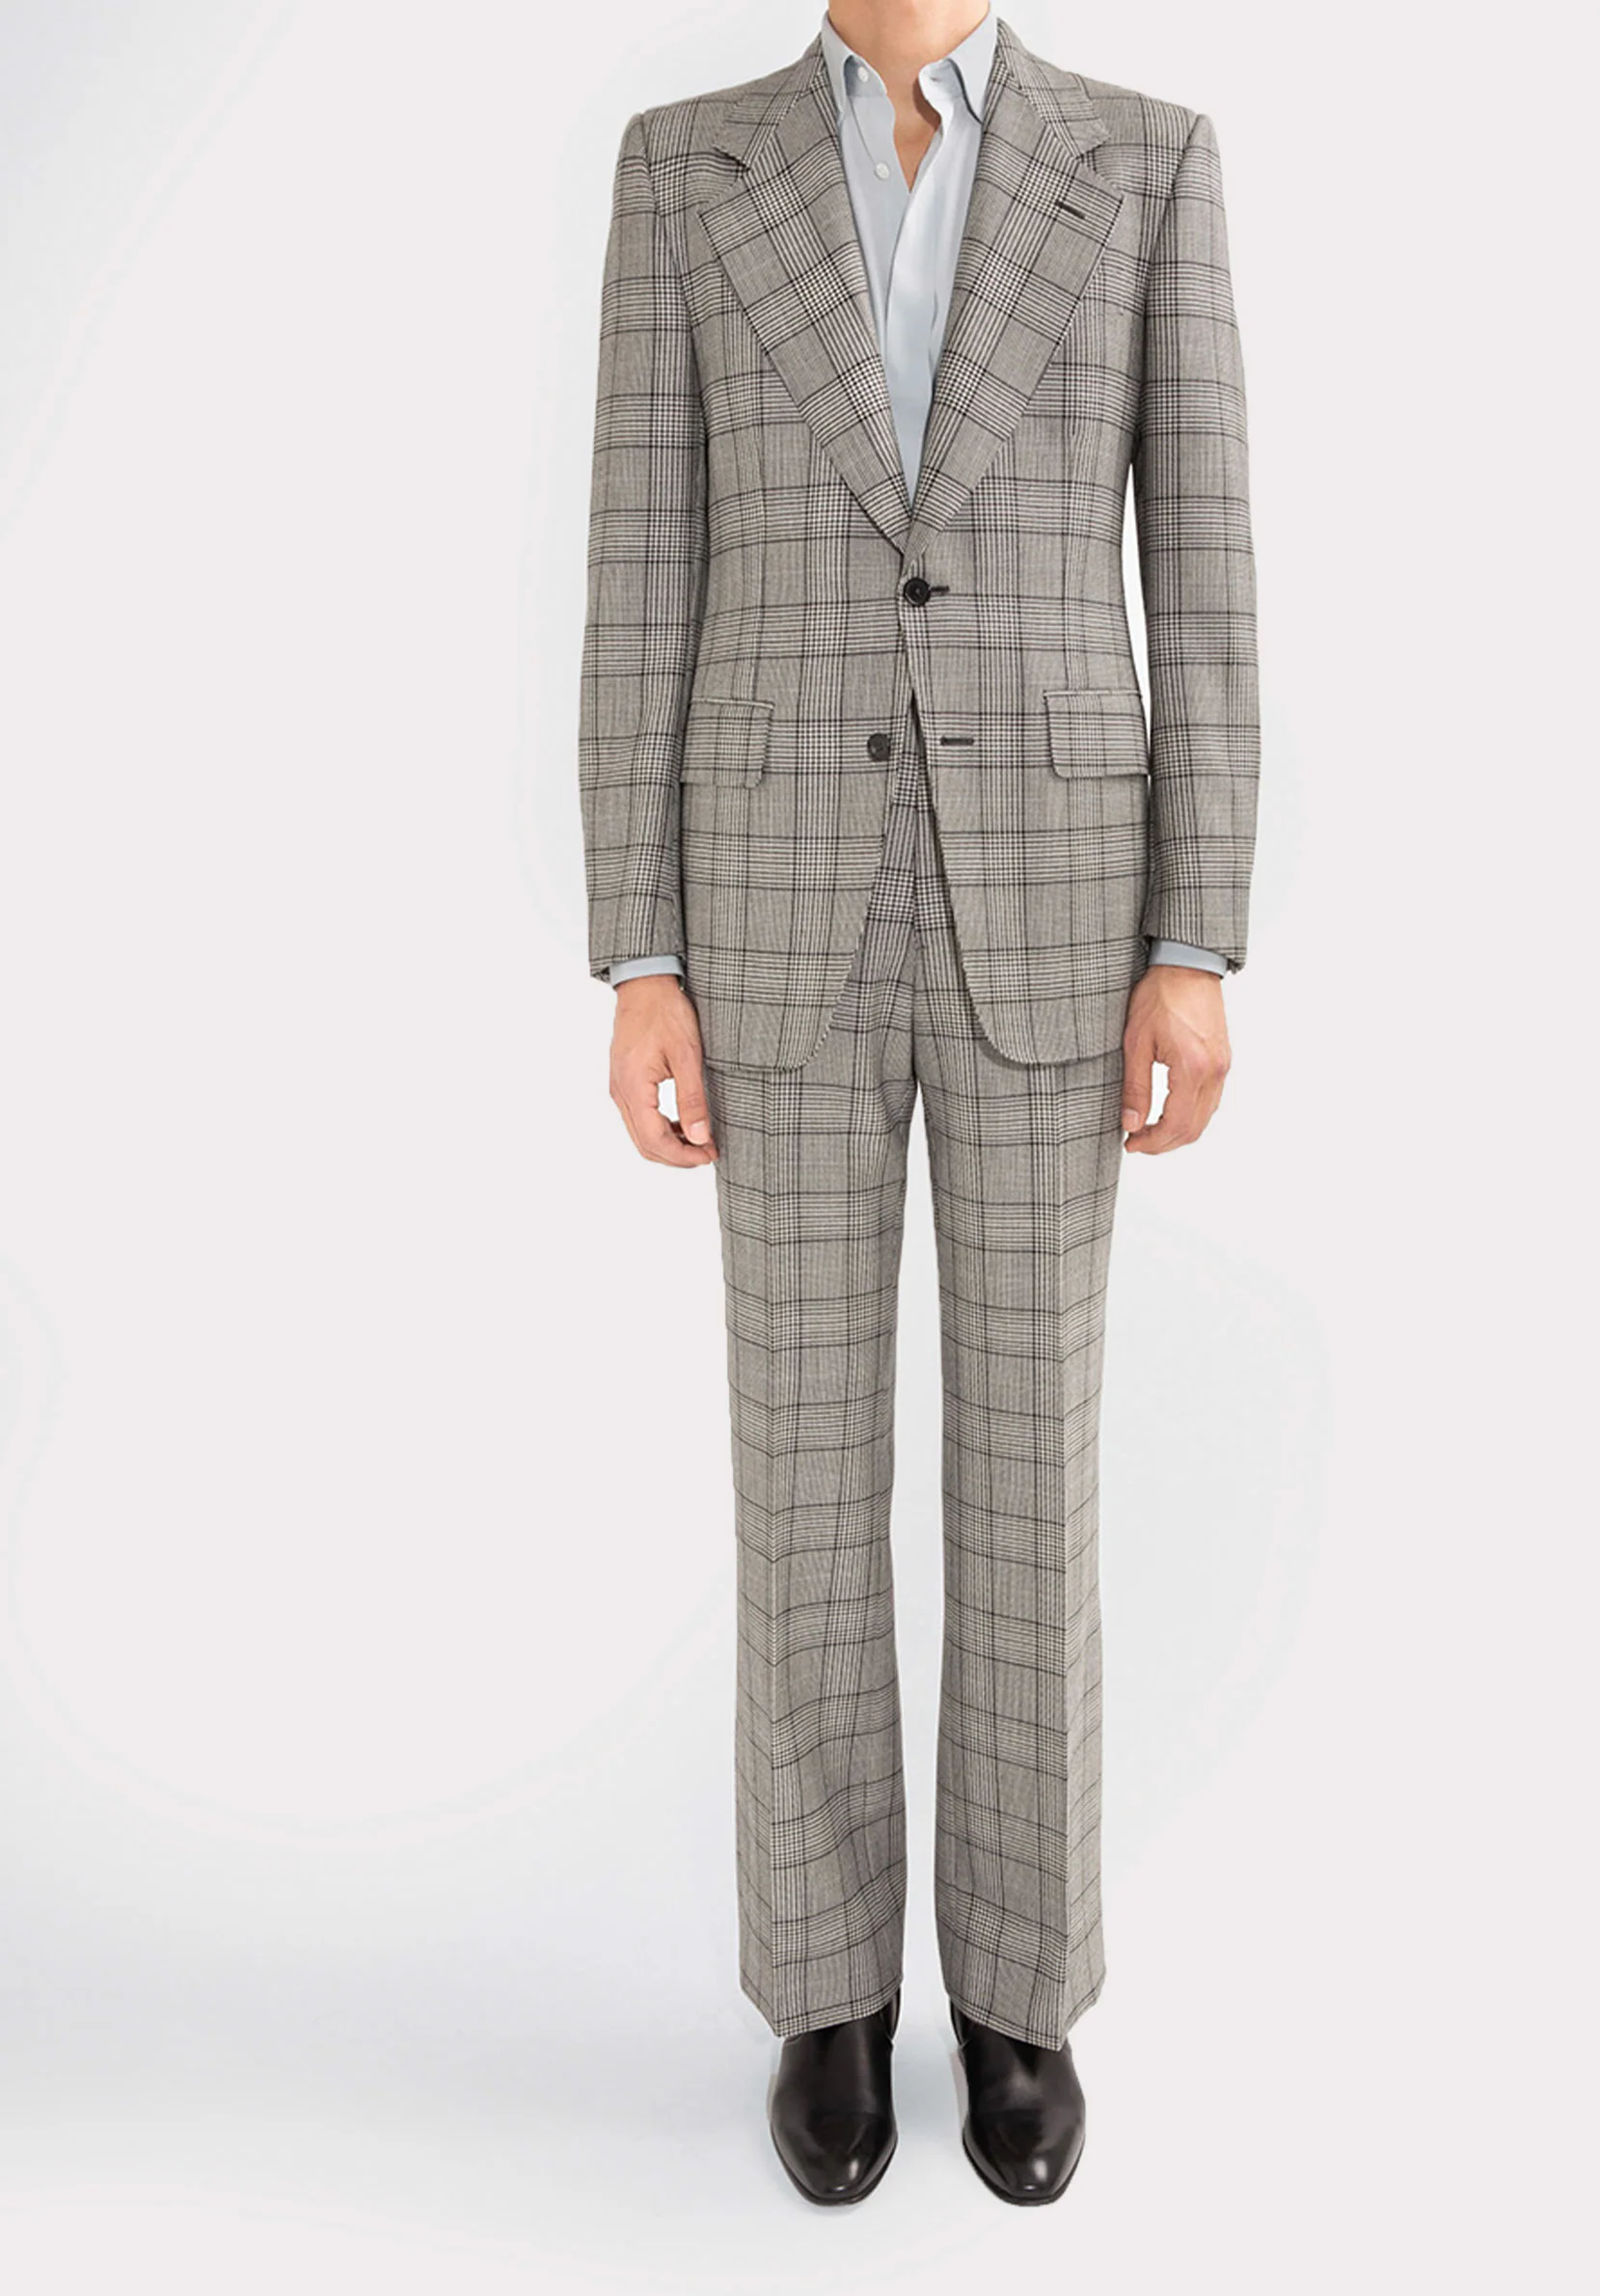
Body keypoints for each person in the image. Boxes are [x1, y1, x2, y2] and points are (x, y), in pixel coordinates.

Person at [578, 0, 1259, 2205]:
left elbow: (1204, 571)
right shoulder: (684, 169)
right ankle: (826, 1992)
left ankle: (1020, 1995)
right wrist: (638, 949)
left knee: (1030, 1470)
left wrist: (1195, 933)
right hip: (768, 899)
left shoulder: (1144, 159)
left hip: (1056, 896)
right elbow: (640, 567)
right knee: (801, 1473)